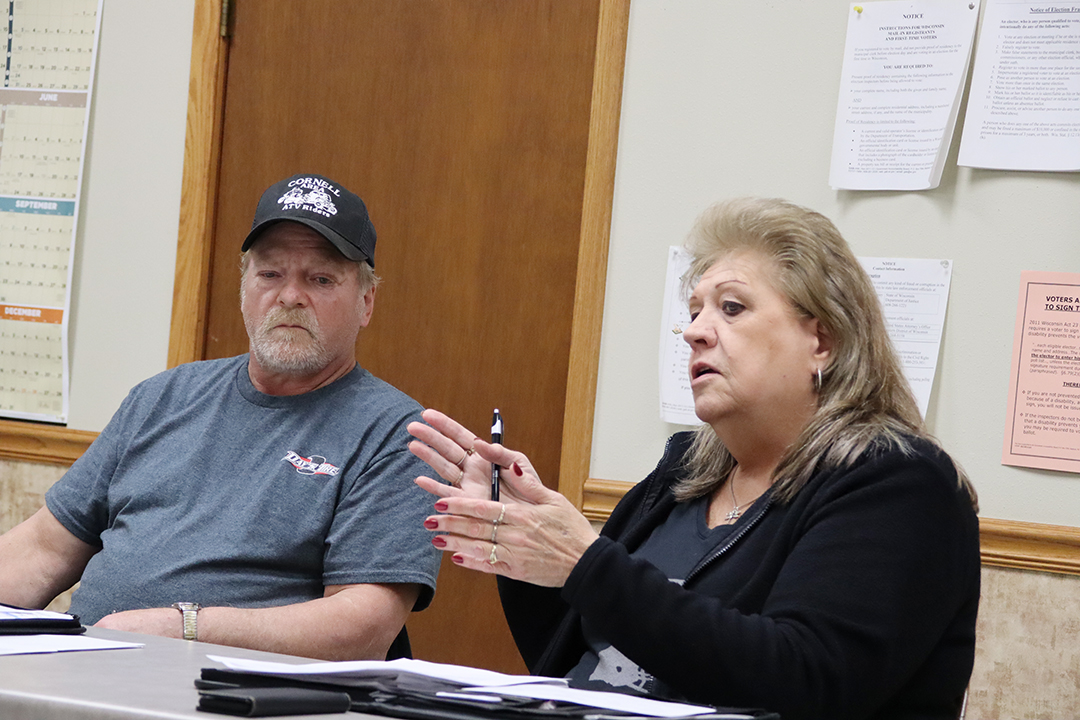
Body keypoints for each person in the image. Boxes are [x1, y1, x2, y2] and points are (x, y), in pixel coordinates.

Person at [406, 198, 981, 720]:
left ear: (822, 343)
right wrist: (519, 545)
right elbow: (586, 666)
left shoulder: (900, 484)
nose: (695, 333)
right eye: (695, 310)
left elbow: (806, 680)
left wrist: (585, 563)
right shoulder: (685, 471)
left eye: (731, 308)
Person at [0, 173, 440, 661]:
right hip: (83, 675)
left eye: (320, 279)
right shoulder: (163, 397)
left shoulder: (401, 436)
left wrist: (187, 626)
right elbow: (42, 550)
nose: (290, 296)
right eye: (270, 274)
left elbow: (361, 627)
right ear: (245, 286)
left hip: (238, 695)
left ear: (366, 302)